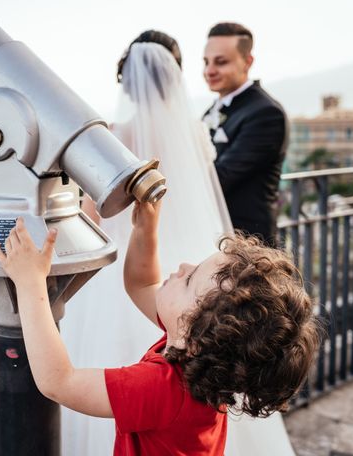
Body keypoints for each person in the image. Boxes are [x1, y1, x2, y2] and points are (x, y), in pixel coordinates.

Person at [0, 204, 321, 455]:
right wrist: (145, 229)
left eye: (191, 279)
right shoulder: (205, 360)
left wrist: (30, 282)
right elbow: (142, 283)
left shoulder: (160, 388)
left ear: (195, 332)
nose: (183, 266)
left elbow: (58, 382)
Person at [61, 30, 232, 455]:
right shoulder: (194, 132)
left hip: (130, 258)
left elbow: (92, 213)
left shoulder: (115, 134)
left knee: (113, 369)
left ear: (127, 83)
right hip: (190, 257)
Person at [203, 22, 289, 246]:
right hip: (214, 235)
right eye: (206, 62)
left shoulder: (266, 114)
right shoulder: (211, 111)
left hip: (249, 244)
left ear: (248, 61)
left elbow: (222, 177)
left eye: (221, 62)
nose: (209, 70)